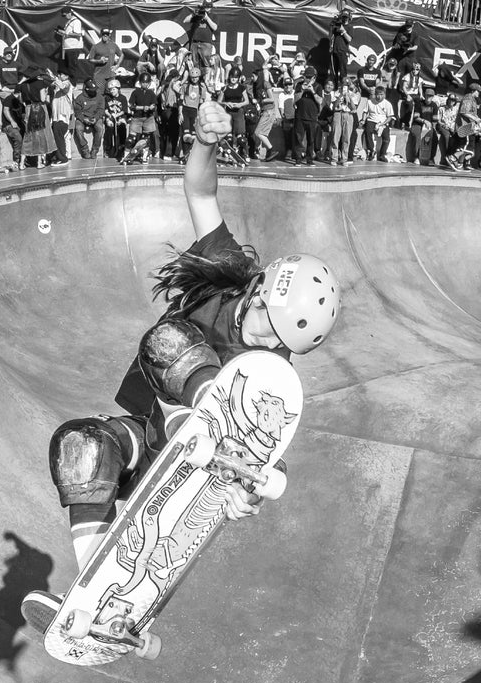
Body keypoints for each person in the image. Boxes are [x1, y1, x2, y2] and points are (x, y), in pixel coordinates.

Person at [23, 100, 342, 628]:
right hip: (150, 437)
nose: (266, 343)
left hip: (196, 471)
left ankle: (210, 419)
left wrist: (244, 495)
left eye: (282, 343)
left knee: (172, 344)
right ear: (259, 290)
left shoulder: (269, 374)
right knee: (81, 444)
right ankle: (96, 599)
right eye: (266, 325)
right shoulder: (228, 264)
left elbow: (268, 453)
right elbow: (200, 191)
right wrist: (205, 142)